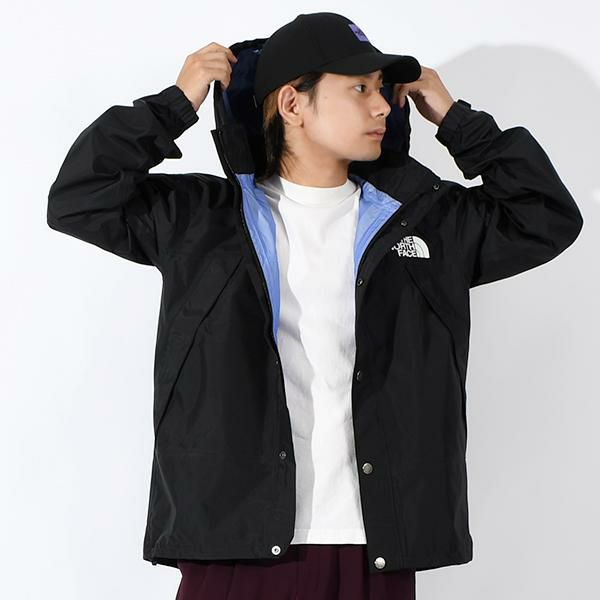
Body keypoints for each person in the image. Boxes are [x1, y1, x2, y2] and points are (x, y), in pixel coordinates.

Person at [46, 11, 584, 600]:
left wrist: (457, 121)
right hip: (236, 543)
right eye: (359, 88)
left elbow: (545, 216)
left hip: (376, 546)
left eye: (382, 89)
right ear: (292, 104)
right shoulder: (202, 219)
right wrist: (174, 105)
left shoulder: (426, 221)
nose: (382, 106)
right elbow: (79, 197)